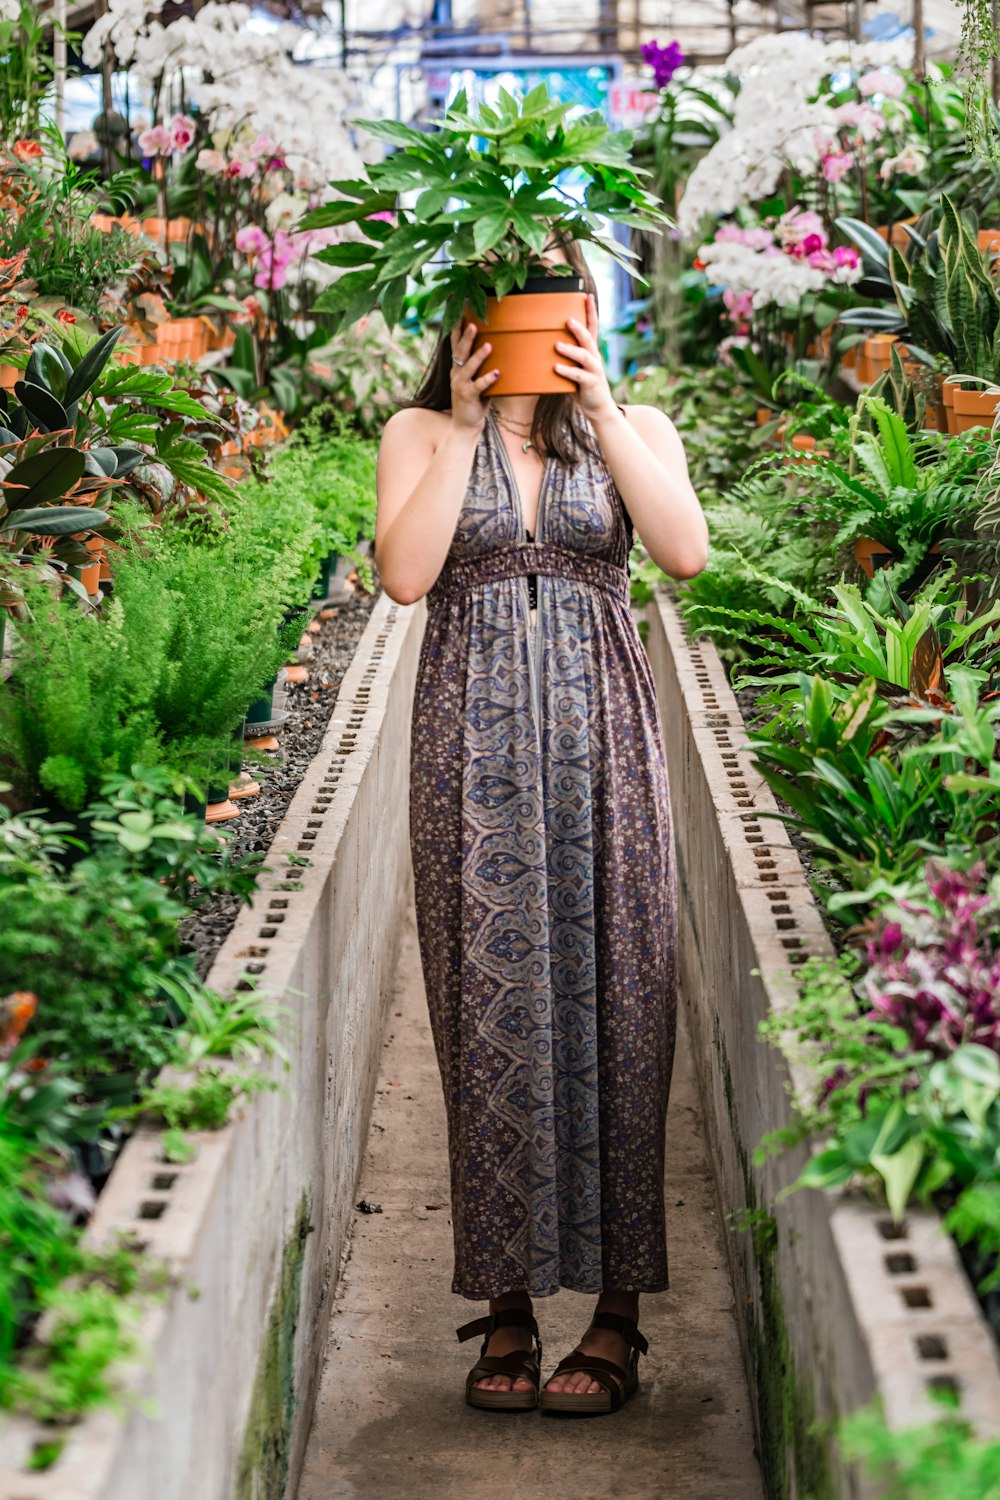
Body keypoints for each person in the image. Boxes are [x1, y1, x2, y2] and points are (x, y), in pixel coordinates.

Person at [374, 239, 708, 1416]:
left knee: (623, 1006)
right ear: (469, 313)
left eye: (556, 294)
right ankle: (507, 1307)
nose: (533, 316)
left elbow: (684, 551)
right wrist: (466, 425)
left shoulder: (635, 428)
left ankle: (616, 1318)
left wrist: (604, 404)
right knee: (488, 1015)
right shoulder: (417, 436)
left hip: (605, 748)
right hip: (469, 761)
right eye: (511, 296)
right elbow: (406, 579)